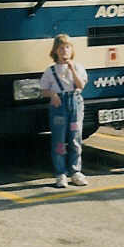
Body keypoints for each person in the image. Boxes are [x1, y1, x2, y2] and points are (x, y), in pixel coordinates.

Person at [40, 34, 89, 188]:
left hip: (75, 104)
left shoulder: (78, 67)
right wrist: (52, 94)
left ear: (71, 50)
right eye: (61, 48)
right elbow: (43, 90)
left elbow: (81, 85)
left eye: (67, 47)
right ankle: (60, 173)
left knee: (75, 139)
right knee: (59, 141)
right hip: (59, 106)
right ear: (55, 51)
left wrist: (72, 69)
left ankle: (75, 172)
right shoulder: (50, 70)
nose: (64, 51)